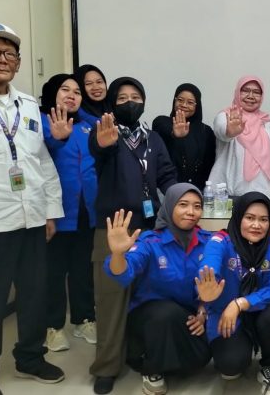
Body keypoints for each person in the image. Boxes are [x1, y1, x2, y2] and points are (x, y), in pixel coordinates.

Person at [0, 22, 65, 394]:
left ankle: (30, 358)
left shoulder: (29, 104)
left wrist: (50, 211)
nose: (2, 59)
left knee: (34, 294)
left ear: (18, 63)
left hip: (31, 217)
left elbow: (41, 162)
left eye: (9, 53)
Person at [89, 76, 177, 394]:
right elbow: (98, 151)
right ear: (113, 103)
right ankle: (106, 367)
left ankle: (137, 354)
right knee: (111, 298)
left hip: (149, 227)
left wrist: (183, 199)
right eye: (122, 98)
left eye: (136, 96)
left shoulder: (153, 138)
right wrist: (104, 143)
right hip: (113, 227)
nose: (130, 102)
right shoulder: (106, 132)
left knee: (146, 296)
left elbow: (166, 175)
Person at [104, 184, 212, 395]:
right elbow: (123, 273)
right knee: (165, 313)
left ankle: (170, 360)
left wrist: (203, 313)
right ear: (169, 206)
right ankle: (151, 367)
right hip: (150, 319)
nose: (191, 212)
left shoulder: (207, 241)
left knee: (200, 359)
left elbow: (215, 283)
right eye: (183, 205)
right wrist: (117, 254)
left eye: (197, 206)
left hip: (187, 317)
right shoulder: (150, 241)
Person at [196, 192, 270, 395]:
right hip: (226, 313)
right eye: (249, 218)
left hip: (262, 310)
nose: (257, 225)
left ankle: (269, 364)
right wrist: (207, 286)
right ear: (238, 217)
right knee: (230, 365)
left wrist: (240, 303)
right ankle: (241, 347)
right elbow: (209, 264)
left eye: (263, 219)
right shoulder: (221, 240)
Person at [39, 73, 98, 352]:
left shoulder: (86, 126)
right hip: (55, 211)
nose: (72, 95)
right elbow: (43, 153)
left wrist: (81, 111)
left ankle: (83, 319)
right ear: (52, 93)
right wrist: (57, 136)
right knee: (54, 272)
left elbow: (103, 128)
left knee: (82, 269)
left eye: (77, 92)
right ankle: (53, 327)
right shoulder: (41, 121)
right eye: (65, 90)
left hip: (86, 210)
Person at [208, 76, 270, 200]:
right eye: (245, 90)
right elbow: (221, 132)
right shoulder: (227, 117)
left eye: (256, 92)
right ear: (237, 92)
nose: (251, 96)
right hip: (231, 195)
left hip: (267, 195)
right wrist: (230, 132)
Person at [152, 83, 216, 190]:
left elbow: (209, 163)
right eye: (180, 100)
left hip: (197, 191)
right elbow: (162, 130)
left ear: (197, 106)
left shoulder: (206, 131)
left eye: (190, 102)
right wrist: (174, 134)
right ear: (174, 100)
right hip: (166, 189)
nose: (184, 105)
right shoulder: (162, 122)